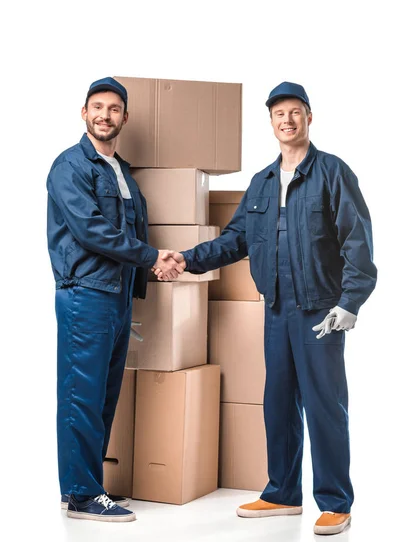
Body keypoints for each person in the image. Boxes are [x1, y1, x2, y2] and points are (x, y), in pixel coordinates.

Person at [156, 82, 377, 536]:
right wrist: (187, 259)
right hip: (275, 308)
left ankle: (335, 501)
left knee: (324, 407)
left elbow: (358, 242)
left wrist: (350, 302)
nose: (287, 120)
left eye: (295, 112)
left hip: (319, 311)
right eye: (279, 114)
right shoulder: (261, 182)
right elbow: (237, 240)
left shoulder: (333, 173)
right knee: (277, 404)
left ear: (309, 118)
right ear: (271, 123)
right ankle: (282, 493)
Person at [46, 77, 183, 522]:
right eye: (97, 107)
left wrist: (151, 267)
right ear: (84, 114)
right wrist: (151, 257)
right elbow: (91, 230)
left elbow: (134, 230)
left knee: (104, 395)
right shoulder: (70, 166)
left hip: (119, 295)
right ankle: (83, 495)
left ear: (125, 117)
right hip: (86, 293)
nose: (105, 115)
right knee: (81, 395)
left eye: (114, 109)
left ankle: (85, 487)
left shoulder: (121, 171)